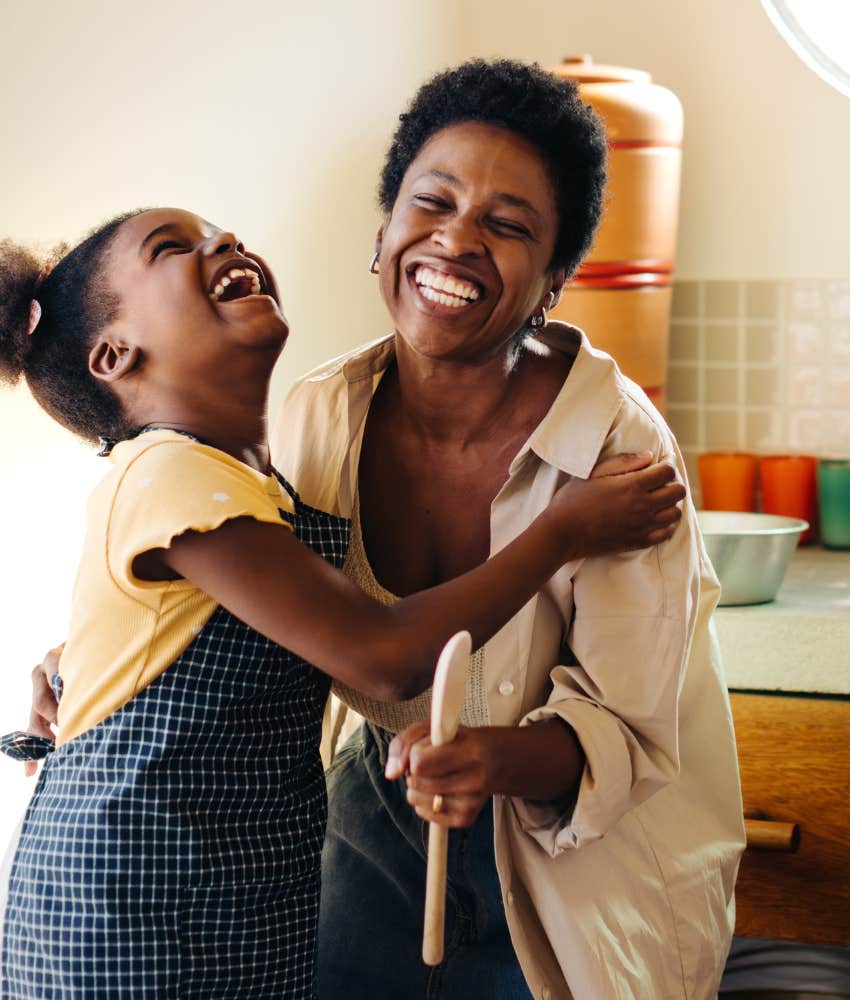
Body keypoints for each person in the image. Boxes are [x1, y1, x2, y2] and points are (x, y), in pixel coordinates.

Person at [0, 209, 685, 998]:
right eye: (173, 249)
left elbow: (181, 635)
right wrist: (562, 532)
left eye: (218, 231)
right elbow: (383, 655)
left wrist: (75, 659)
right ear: (115, 356)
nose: (223, 243)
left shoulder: (256, 489)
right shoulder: (166, 472)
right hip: (133, 907)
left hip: (224, 897)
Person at [274, 59, 746, 999]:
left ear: (555, 277)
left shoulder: (617, 444)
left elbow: (629, 733)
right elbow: (254, 604)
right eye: (432, 203)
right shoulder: (316, 416)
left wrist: (491, 762)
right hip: (380, 808)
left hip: (577, 846)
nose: (455, 241)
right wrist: (92, 662)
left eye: (507, 224)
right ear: (384, 233)